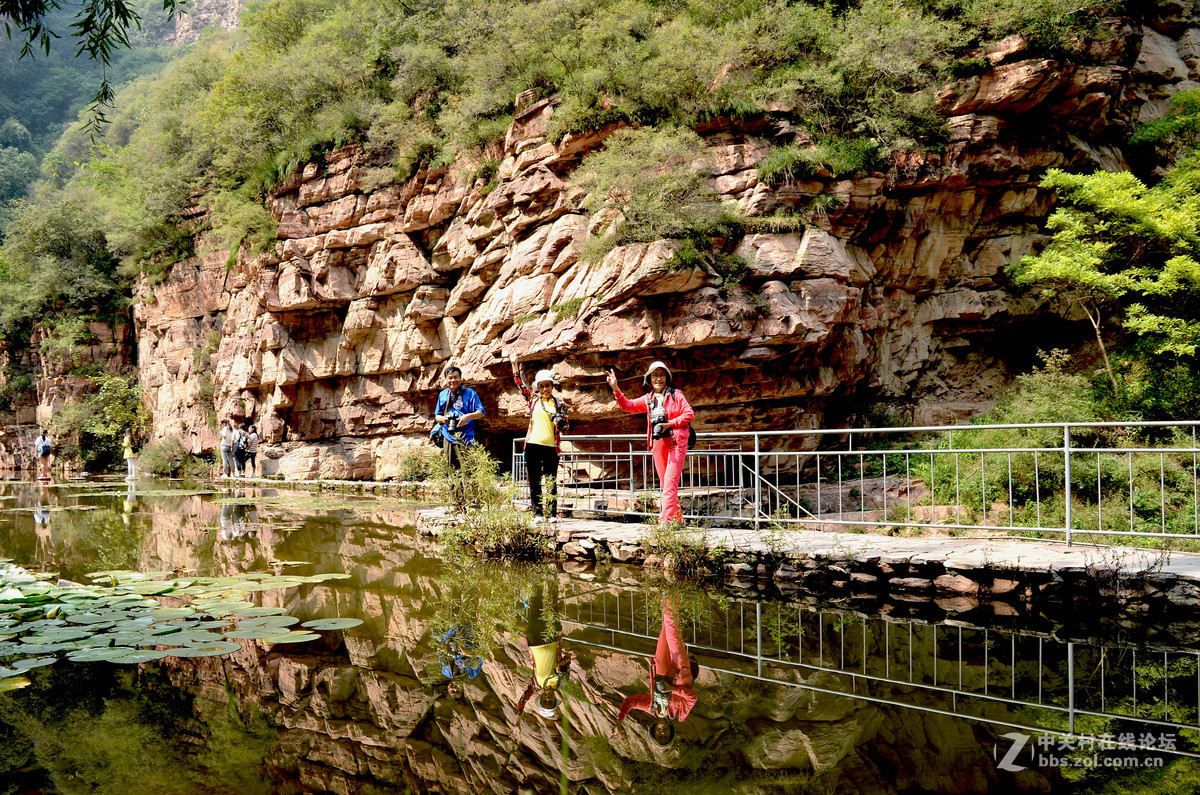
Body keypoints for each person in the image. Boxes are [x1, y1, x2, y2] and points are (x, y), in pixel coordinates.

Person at [605, 362, 694, 524]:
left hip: (676, 443)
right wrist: (616, 388)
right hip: (658, 443)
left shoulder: (676, 395)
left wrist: (670, 423)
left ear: (667, 378)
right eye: (655, 375)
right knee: (667, 484)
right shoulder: (648, 399)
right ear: (649, 379)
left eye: (662, 375)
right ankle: (678, 520)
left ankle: (665, 521)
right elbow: (627, 406)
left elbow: (689, 414)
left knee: (670, 482)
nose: (658, 378)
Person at [610, 598, 699, 748]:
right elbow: (692, 697)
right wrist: (673, 690)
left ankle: (669, 590)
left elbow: (630, 702)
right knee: (673, 634)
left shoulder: (651, 707)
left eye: (659, 736)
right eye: (666, 737)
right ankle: (669, 590)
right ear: (671, 732)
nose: (662, 734)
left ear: (654, 730)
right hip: (680, 670)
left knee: (667, 627)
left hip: (661, 666)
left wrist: (619, 721)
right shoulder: (680, 715)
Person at [510, 357, 569, 523]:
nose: (544, 389)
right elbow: (519, 384)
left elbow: (566, 426)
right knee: (534, 480)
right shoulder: (533, 400)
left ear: (552, 386)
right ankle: (537, 513)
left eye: (547, 385)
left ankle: (552, 513)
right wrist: (515, 364)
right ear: (538, 387)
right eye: (541, 386)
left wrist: (560, 423)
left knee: (551, 480)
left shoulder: (560, 404)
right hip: (533, 445)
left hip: (551, 447)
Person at [514, 576, 572, 735]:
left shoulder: (535, 685)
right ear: (554, 699)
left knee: (535, 602)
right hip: (552, 636)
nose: (547, 699)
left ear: (540, 699)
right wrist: (561, 665)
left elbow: (522, 700)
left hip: (534, 638)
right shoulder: (562, 681)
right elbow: (568, 659)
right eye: (550, 702)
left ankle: (537, 572)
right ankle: (553, 575)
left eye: (544, 701)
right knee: (552, 604)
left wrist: (517, 721)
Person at [431, 365, 485, 470]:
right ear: (445, 379)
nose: (453, 380)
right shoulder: (443, 394)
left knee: (468, 471)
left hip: (466, 437)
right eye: (450, 378)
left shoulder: (470, 393)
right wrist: (443, 419)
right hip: (448, 436)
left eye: (456, 377)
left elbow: (481, 412)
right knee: (451, 472)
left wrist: (467, 417)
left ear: (461, 378)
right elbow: (437, 416)